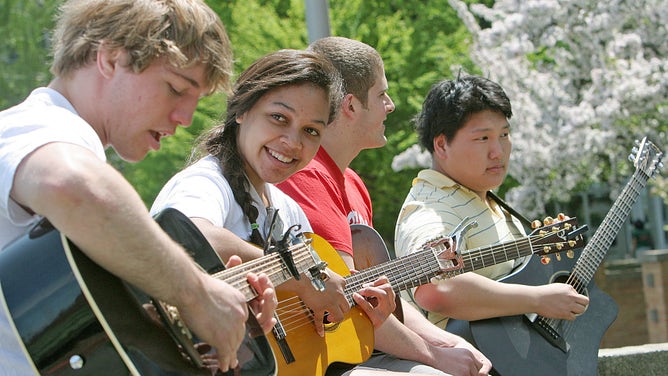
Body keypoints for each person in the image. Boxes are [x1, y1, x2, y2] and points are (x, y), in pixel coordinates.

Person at [0, 1, 276, 374]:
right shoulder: (38, 125)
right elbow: (71, 186)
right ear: (111, 59)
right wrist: (197, 295)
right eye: (177, 89)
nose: (185, 118)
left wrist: (182, 323)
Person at [150, 48, 400, 376]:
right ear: (242, 109)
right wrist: (302, 277)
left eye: (311, 130)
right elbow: (189, 235)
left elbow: (309, 313)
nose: (293, 141)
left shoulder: (288, 210)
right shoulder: (206, 182)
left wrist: (353, 311)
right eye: (279, 118)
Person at [277, 36, 492, 376]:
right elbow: (349, 304)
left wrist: (446, 342)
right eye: (381, 94)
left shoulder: (355, 184)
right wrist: (435, 356)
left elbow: (379, 299)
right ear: (350, 106)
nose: (390, 105)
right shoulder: (306, 177)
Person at [393, 75, 590, 330]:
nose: (498, 151)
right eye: (483, 138)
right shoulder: (430, 208)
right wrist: (537, 300)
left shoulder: (483, 197)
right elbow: (435, 288)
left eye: (504, 135)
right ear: (442, 145)